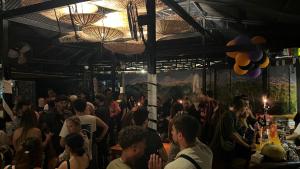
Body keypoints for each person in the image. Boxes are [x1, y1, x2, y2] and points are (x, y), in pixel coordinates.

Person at [149, 115, 213, 169]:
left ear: (180, 135)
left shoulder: (173, 167)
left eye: (173, 130)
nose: (171, 132)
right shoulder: (208, 152)